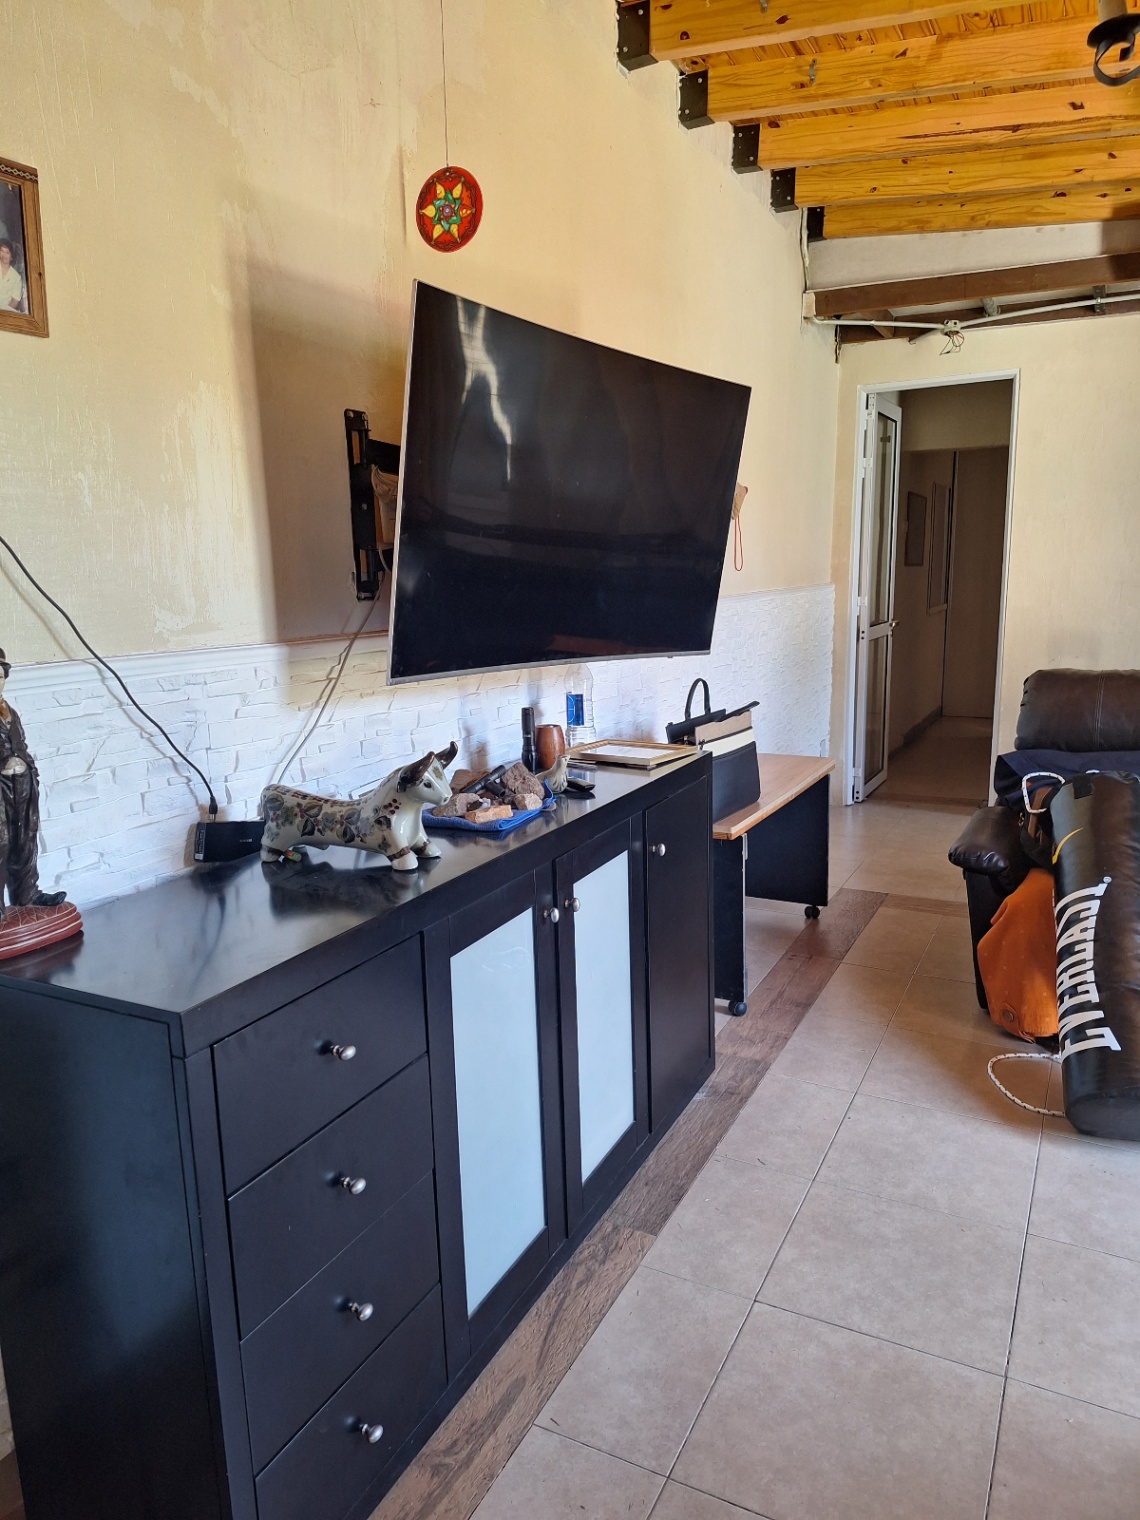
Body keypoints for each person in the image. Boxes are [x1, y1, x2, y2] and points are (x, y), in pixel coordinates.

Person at [0, 651, 66, 912]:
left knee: (26, 839)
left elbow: (22, 746)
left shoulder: (11, 712)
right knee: (2, 842)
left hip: (24, 786)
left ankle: (27, 893)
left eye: (0, 676)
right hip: (1, 788)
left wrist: (31, 772)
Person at [0, 239, 24, 313]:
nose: (4, 255)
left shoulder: (17, 278)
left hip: (6, 311)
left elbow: (15, 301)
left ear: (11, 257)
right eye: (1, 250)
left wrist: (4, 312)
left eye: (7, 252)